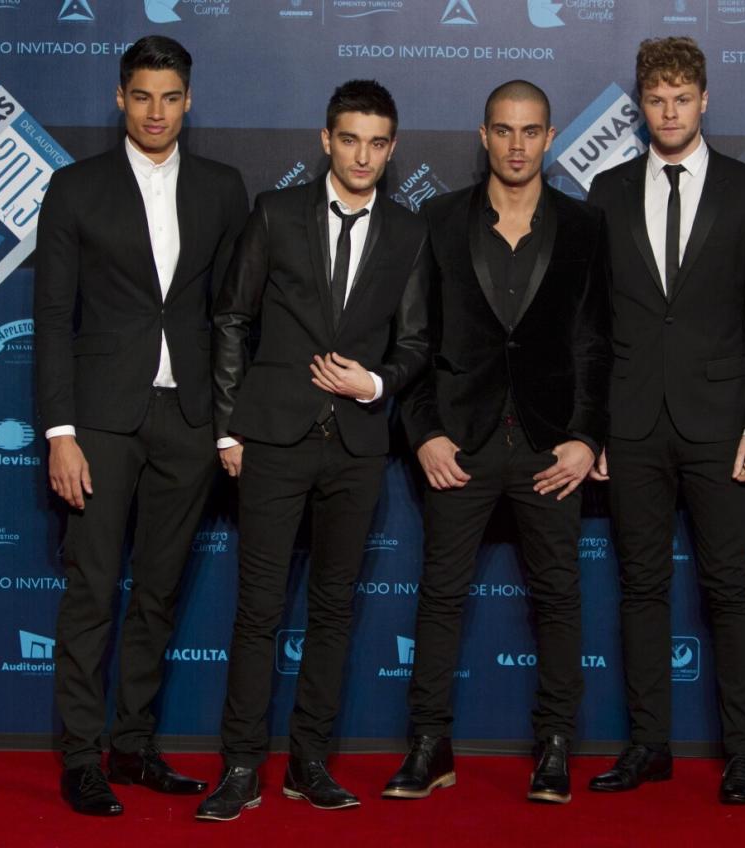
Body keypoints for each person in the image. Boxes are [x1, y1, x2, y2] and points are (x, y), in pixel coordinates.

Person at [193, 80, 429, 821]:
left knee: (332, 613)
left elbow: (419, 341)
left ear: (391, 150)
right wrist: (229, 429)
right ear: (326, 141)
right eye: (349, 139)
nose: (363, 154)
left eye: (378, 142)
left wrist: (375, 383)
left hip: (357, 448)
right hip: (271, 441)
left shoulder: (409, 231)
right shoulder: (276, 212)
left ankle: (309, 763)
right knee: (258, 610)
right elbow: (231, 316)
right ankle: (239, 768)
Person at [34, 35, 248, 816]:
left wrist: (229, 426)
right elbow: (53, 318)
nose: (156, 111)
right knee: (93, 590)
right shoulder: (74, 188)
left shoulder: (225, 189)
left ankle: (133, 745)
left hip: (190, 420)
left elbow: (233, 317)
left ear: (188, 101)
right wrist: (60, 430)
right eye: (141, 96)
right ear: (119, 99)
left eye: (170, 97)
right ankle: (82, 756)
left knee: (158, 593)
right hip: (99, 424)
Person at [382, 80, 611, 805]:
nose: (517, 145)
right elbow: (412, 343)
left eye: (531, 131)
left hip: (550, 449)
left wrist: (585, 438)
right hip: (462, 446)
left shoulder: (583, 227)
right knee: (440, 596)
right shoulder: (439, 219)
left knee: (559, 598)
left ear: (549, 138)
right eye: (504, 131)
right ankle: (429, 743)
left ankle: (554, 746)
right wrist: (423, 435)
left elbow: (598, 343)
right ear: (483, 135)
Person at [585, 36, 745, 805]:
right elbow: (592, 323)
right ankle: (648, 745)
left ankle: (743, 753)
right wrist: (593, 427)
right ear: (641, 105)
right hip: (631, 423)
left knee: (730, 590)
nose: (669, 111)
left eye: (682, 98)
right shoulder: (604, 190)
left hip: (723, 423)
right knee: (639, 590)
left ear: (705, 100)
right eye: (656, 99)